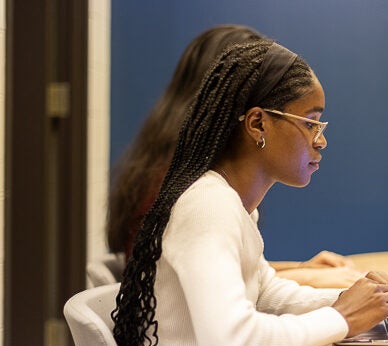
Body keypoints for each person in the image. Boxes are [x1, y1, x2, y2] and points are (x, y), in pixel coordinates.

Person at [111, 40, 388, 346]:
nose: (321, 141)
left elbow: (266, 293)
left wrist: (352, 301)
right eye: (311, 123)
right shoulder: (208, 207)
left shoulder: (231, 203)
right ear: (258, 124)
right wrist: (343, 318)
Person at [107, 24, 362, 288]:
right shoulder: (191, 189)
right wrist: (321, 293)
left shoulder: (183, 165)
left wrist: (300, 270)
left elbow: (226, 268)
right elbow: (201, 289)